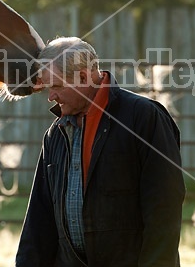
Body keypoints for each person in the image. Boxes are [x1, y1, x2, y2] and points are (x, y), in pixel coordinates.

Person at [16, 37, 185, 267]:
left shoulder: (143, 118)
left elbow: (164, 209)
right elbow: (39, 219)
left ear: (84, 77)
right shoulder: (55, 134)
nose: (50, 97)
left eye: (56, 86)